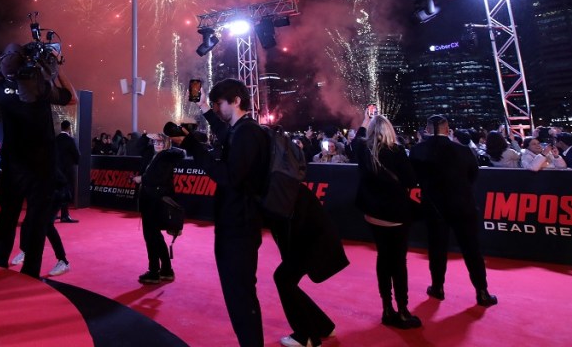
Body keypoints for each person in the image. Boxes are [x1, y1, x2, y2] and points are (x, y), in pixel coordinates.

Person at [183, 79, 344, 347]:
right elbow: (226, 135)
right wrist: (205, 111)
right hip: (241, 223)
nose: (216, 108)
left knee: (240, 296)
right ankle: (316, 327)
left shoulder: (247, 133)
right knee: (245, 292)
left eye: (218, 103)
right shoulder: (243, 131)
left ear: (235, 101)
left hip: (240, 226)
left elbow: (230, 175)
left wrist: (195, 148)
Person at [0, 42, 76, 279]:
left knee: (7, 216)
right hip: (41, 165)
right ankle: (30, 274)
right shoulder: (41, 89)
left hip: (12, 164)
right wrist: (55, 66)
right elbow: (72, 98)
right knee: (37, 219)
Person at [409, 115, 497, 308]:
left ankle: (437, 287)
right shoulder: (463, 151)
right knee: (472, 250)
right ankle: (482, 292)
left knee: (437, 250)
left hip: (434, 208)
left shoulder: (417, 151)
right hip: (462, 206)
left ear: (428, 129)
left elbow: (412, 178)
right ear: (447, 128)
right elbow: (473, 174)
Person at [354, 114, 421, 329]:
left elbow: (358, 138)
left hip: (373, 215)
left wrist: (365, 121)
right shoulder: (397, 151)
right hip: (396, 214)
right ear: (390, 131)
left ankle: (386, 308)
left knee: (383, 258)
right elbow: (411, 180)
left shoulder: (364, 151)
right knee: (398, 262)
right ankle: (402, 310)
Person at [132, 130, 184, 284]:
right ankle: (165, 269)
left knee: (152, 237)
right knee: (154, 236)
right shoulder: (150, 153)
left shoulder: (168, 156)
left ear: (166, 143)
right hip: (148, 200)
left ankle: (155, 271)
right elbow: (137, 148)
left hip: (157, 201)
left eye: (161, 142)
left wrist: (142, 179)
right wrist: (145, 135)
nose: (158, 145)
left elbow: (180, 153)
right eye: (156, 142)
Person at [54, 120, 80, 223]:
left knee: (55, 191)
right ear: (69, 128)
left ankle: (54, 213)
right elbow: (76, 154)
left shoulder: (55, 139)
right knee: (66, 192)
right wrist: (74, 163)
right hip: (67, 170)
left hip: (56, 170)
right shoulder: (70, 140)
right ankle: (64, 215)